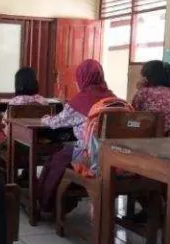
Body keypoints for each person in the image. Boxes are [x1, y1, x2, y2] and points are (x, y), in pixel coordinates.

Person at [38, 59, 118, 212]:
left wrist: (45, 119)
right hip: (114, 159)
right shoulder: (114, 99)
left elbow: (56, 123)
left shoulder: (80, 100)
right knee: (64, 156)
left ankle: (45, 204)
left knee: (56, 159)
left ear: (83, 78)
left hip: (89, 157)